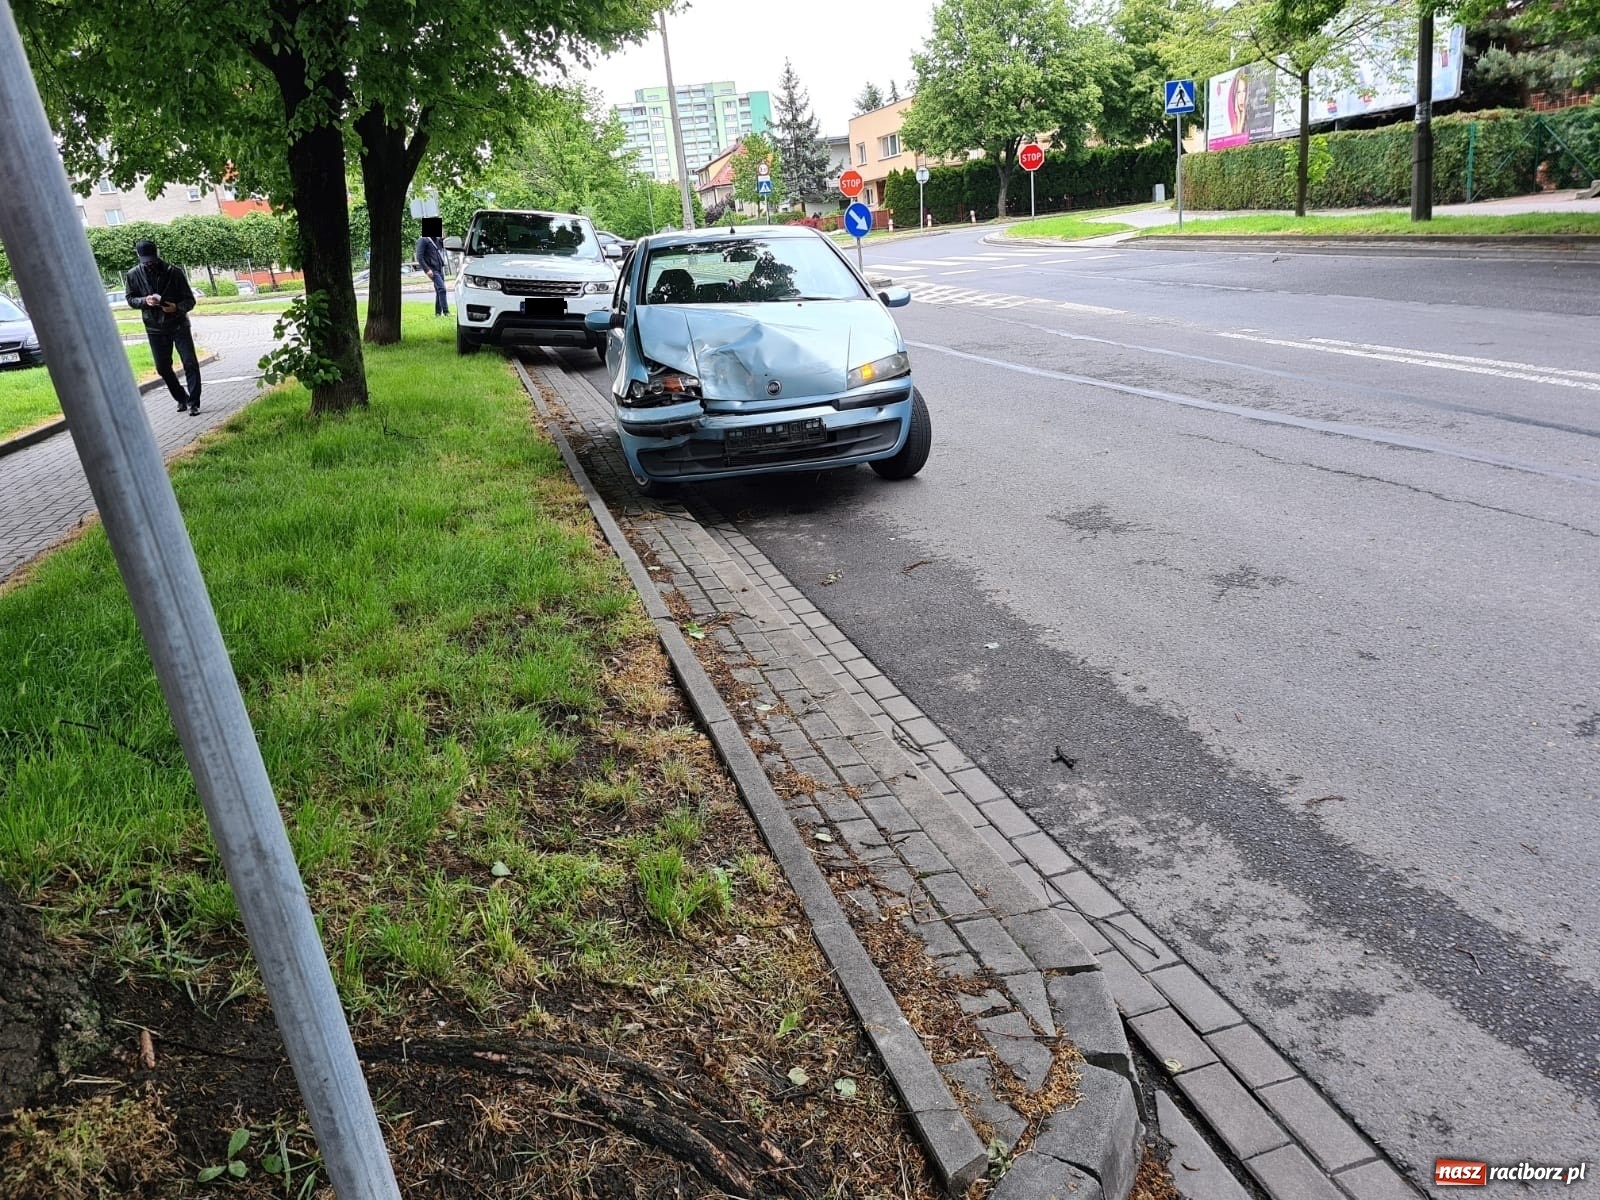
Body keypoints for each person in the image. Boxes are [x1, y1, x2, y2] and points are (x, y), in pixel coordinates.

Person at [124, 239, 201, 414]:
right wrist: (145, 301)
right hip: (154, 328)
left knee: (189, 362)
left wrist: (177, 307)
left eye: (152, 259)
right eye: (146, 260)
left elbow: (190, 299)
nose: (149, 263)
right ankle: (182, 398)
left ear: (158, 254)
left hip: (178, 324)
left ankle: (194, 402)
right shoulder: (133, 275)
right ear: (139, 257)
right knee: (162, 367)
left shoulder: (174, 272)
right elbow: (130, 298)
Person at [415, 232, 449, 316]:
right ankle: (446, 312)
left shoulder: (436, 240)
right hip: (432, 269)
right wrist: (427, 270)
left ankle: (437, 313)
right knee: (442, 289)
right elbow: (419, 257)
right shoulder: (423, 240)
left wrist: (442, 238)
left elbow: (442, 248)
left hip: (439, 268)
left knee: (439, 291)